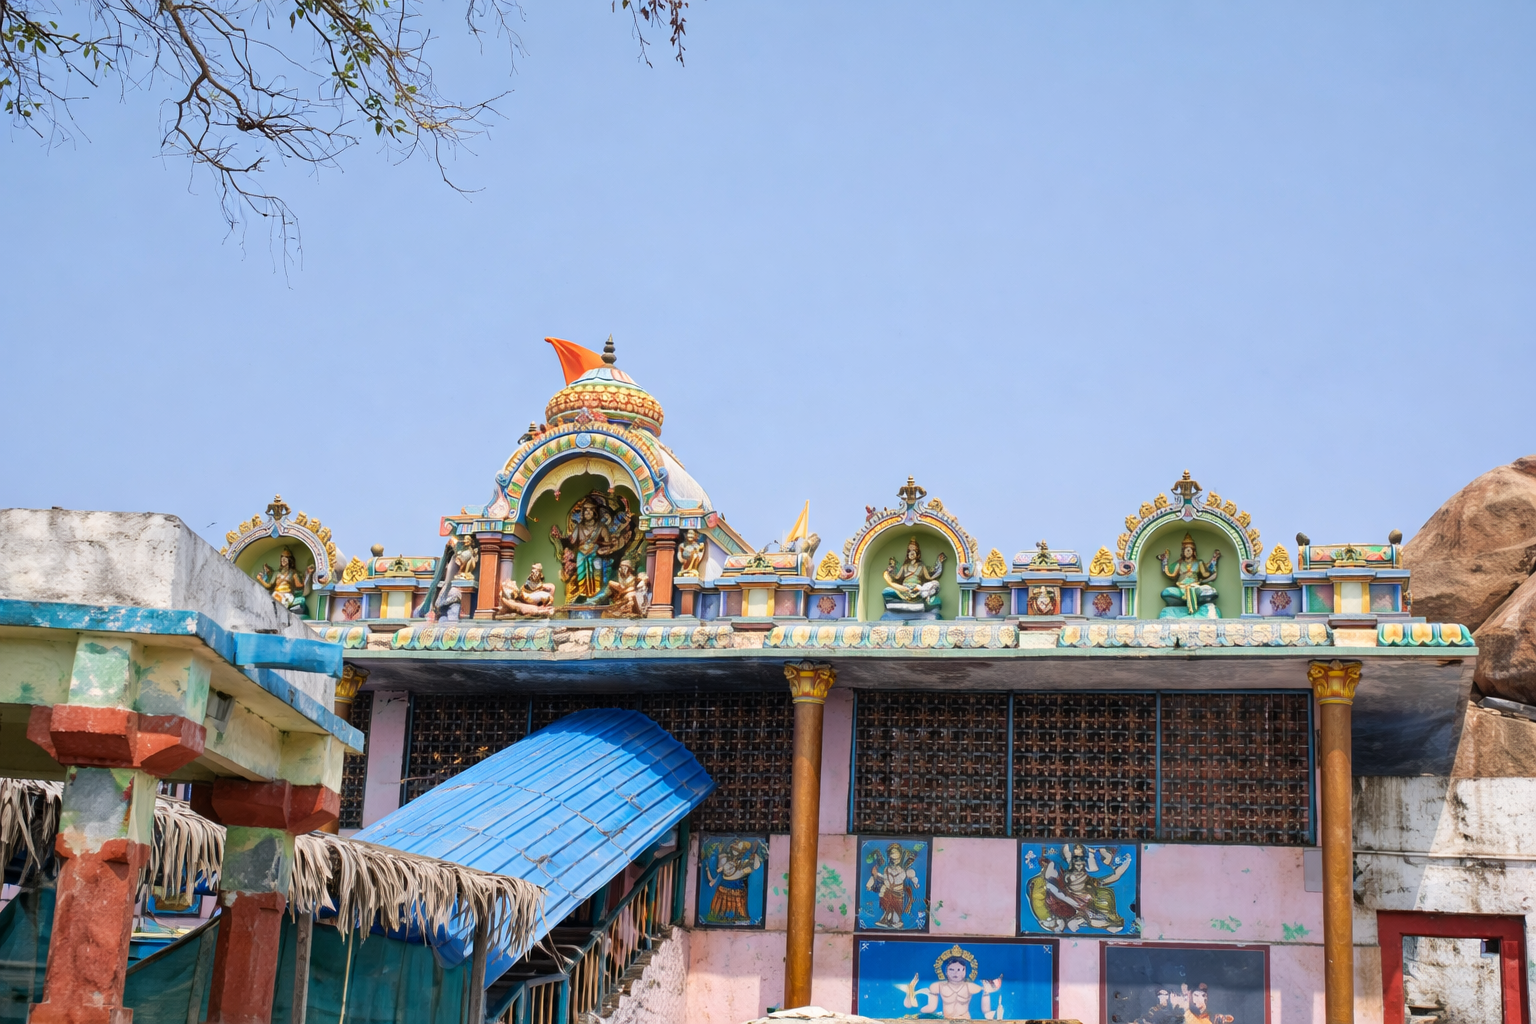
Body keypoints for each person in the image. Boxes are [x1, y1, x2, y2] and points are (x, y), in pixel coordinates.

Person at [897, 953, 1003, 1020]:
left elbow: (986, 1010)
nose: (955, 973)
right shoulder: (937, 986)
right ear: (946, 972)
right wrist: (920, 1013)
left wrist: (987, 994)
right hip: (946, 1020)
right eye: (951, 969)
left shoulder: (970, 987)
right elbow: (931, 1007)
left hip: (965, 1020)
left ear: (965, 971)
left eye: (959, 970)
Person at [1157, 533, 1221, 617]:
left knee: (1207, 590)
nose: (1188, 551)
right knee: (1167, 592)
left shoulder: (1199, 563)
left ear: (1193, 551)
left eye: (1190, 549)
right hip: (1181, 586)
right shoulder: (1180, 563)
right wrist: (1164, 562)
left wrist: (1214, 561)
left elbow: (1206, 574)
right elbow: (1172, 575)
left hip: (1195, 586)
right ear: (1183, 552)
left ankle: (1194, 605)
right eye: (1186, 549)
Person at [703, 839, 764, 923]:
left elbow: (755, 866)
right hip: (725, 886)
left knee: (737, 908)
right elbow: (717, 871)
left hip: (738, 887)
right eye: (735, 849)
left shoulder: (743, 862)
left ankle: (736, 917)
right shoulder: (725, 859)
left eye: (738, 850)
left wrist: (754, 857)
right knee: (722, 907)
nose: (736, 851)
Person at [881, 537, 946, 614]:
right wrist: (889, 572)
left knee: (934, 587)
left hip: (917, 589)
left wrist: (939, 562)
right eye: (909, 551)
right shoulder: (905, 566)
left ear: (918, 553)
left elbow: (929, 578)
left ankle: (921, 595)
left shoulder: (921, 566)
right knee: (886, 591)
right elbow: (897, 577)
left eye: (914, 550)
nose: (911, 553)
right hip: (904, 589)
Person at [866, 843, 921, 928]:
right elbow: (883, 878)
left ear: (900, 856)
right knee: (887, 909)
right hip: (887, 892)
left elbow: (911, 876)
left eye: (897, 858)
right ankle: (885, 920)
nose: (894, 860)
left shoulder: (903, 870)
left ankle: (896, 922)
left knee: (896, 910)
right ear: (889, 857)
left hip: (898, 893)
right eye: (892, 857)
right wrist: (873, 882)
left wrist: (915, 883)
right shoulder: (887, 869)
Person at [256, 548, 313, 613]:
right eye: (282, 557)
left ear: (290, 560)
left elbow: (299, 586)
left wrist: (307, 574)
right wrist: (260, 579)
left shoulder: (293, 573)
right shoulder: (276, 573)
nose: (283, 559)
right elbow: (269, 586)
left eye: (286, 557)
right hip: (276, 595)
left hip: (287, 596)